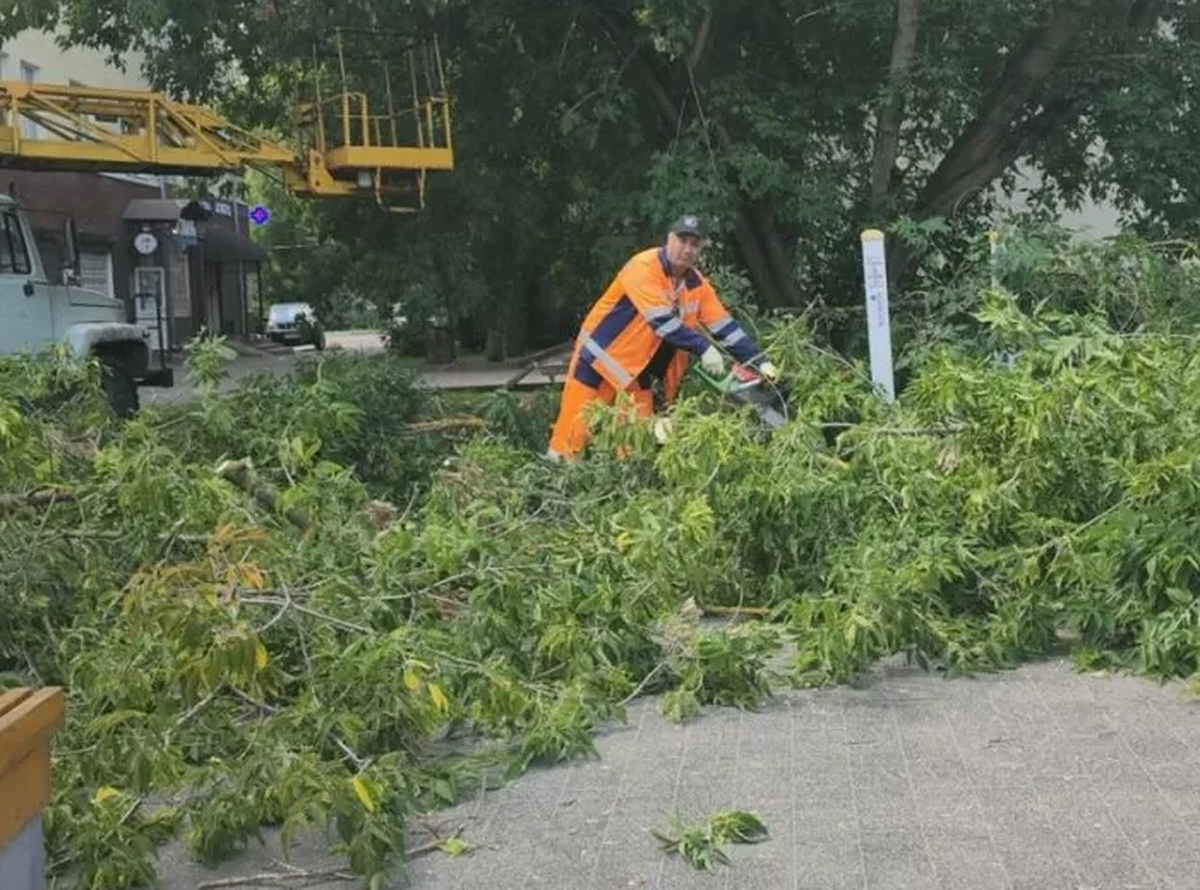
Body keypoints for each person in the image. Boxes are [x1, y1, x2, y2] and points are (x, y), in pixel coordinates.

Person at [546, 214, 778, 461]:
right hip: (598, 363)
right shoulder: (643, 267)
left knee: (635, 446)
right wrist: (703, 348)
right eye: (682, 240)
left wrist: (759, 361)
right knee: (571, 436)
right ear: (669, 239)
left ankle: (626, 479)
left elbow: (725, 327)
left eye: (694, 244)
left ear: (701, 249)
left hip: (637, 374)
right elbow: (661, 322)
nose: (687, 249)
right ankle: (554, 479)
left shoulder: (696, 285)